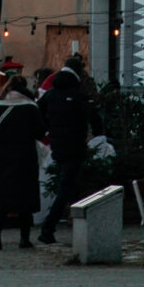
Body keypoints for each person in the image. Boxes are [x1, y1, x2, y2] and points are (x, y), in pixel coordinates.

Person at [0, 71, 44, 251]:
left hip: (1, 156)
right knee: (24, 199)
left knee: (1, 196)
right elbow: (40, 132)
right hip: (25, 157)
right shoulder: (31, 107)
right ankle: (24, 238)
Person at [36, 65, 92, 245]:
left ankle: (84, 225)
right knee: (66, 186)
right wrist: (97, 133)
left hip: (58, 145)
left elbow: (37, 111)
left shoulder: (50, 94)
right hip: (74, 145)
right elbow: (93, 116)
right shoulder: (79, 94)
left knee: (72, 185)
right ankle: (48, 228)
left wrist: (47, 128)